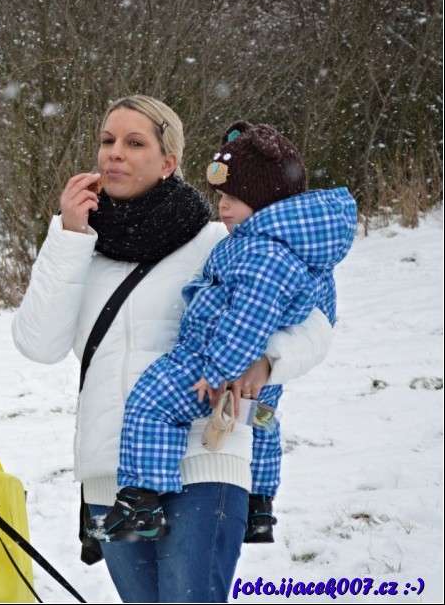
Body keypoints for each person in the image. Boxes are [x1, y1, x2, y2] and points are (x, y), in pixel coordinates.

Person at [11, 95, 335, 602]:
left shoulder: (219, 242)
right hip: (112, 479)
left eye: (134, 142)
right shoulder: (79, 249)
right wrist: (68, 237)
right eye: (107, 140)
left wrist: (268, 361)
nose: (115, 152)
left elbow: (315, 325)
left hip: (203, 461)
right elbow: (38, 345)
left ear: (169, 162)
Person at [92, 121, 357, 544]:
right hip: (251, 374)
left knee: (151, 403)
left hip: (210, 358)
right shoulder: (292, 248)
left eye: (234, 198)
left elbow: (248, 318)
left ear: (267, 202)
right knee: (261, 423)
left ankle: (141, 499)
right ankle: (259, 505)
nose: (223, 207)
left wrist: (218, 370)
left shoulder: (263, 252)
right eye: (220, 196)